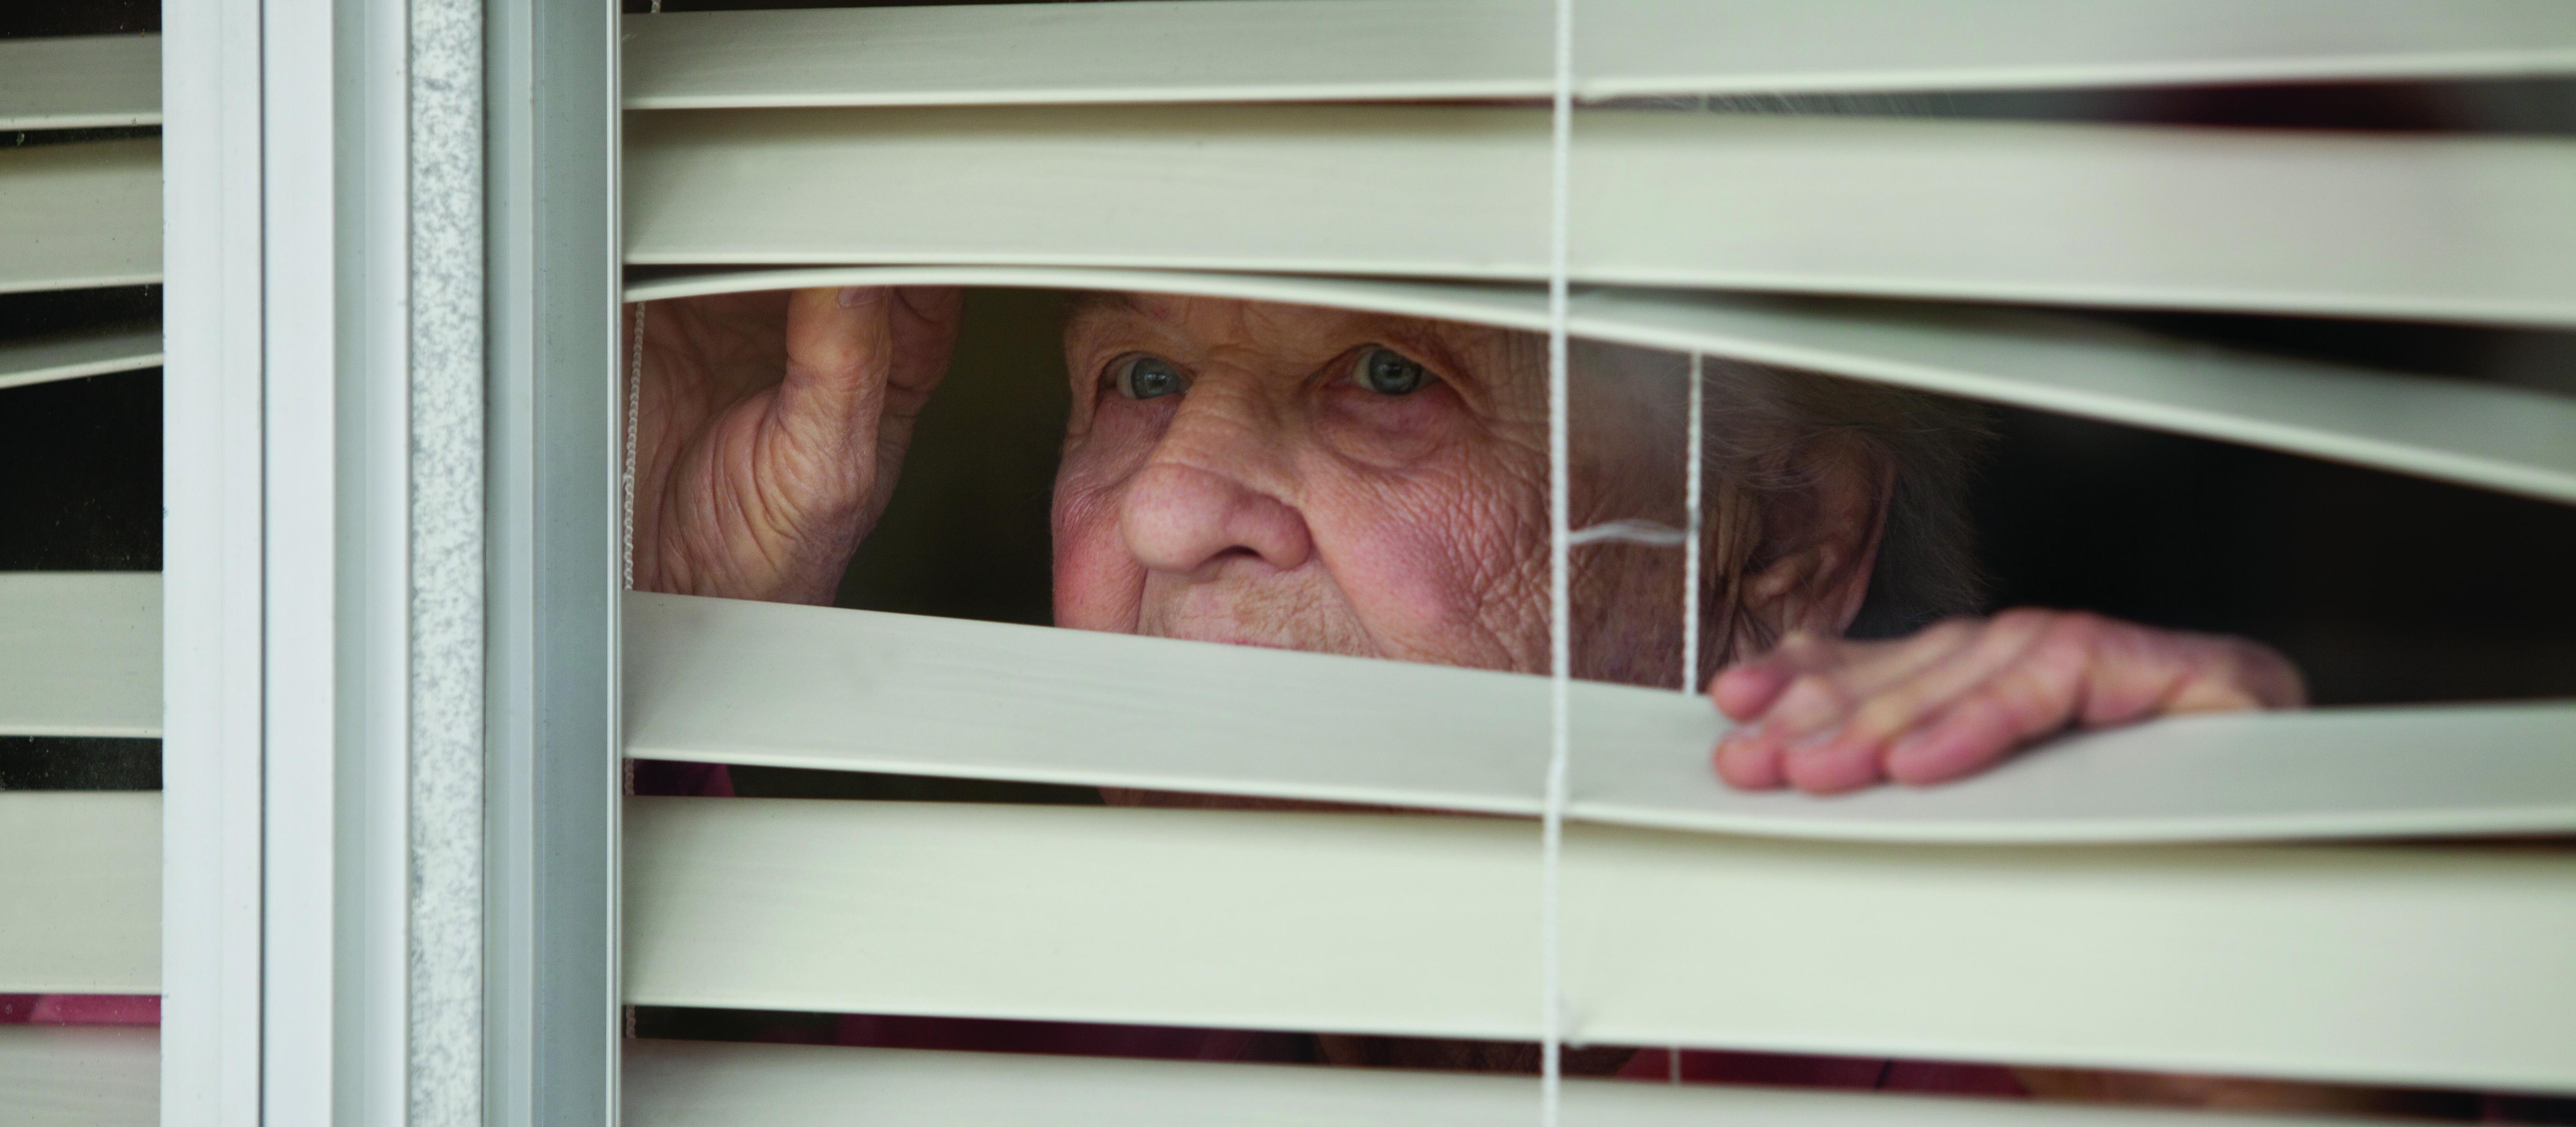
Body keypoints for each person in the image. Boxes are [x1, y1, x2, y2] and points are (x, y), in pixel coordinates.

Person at [631, 286, 2307, 795]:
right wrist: (645, 644)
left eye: (1384, 376)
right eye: (1137, 378)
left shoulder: (1946, 1052)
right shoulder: (983, 1037)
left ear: (1783, 541)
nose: (1159, 510)